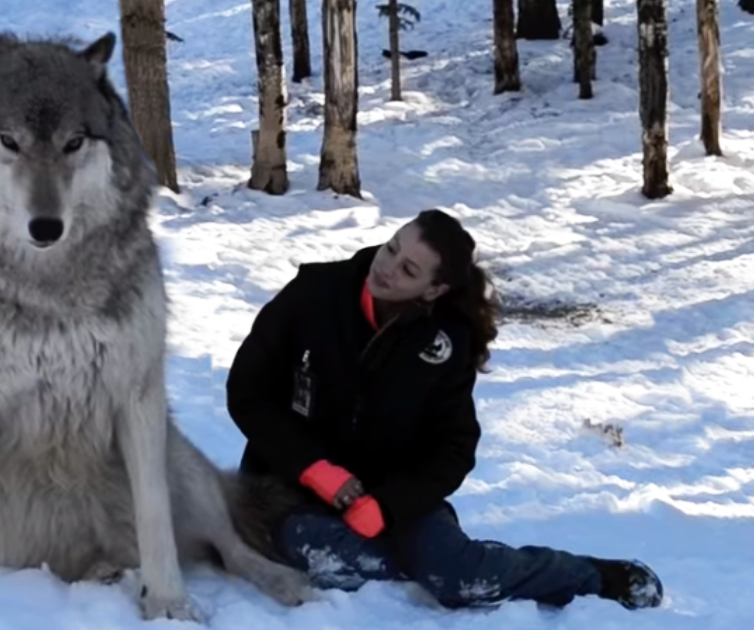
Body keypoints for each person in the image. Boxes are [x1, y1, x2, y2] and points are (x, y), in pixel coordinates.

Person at [225, 208, 663, 611]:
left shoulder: (444, 343)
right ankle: (442, 566)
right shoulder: (314, 295)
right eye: (392, 247)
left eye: (408, 269)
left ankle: (591, 576)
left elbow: (453, 447)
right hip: (288, 491)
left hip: (389, 495)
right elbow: (247, 391)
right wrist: (312, 468)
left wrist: (390, 505)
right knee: (328, 558)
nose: (387, 267)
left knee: (455, 577)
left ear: (433, 289)